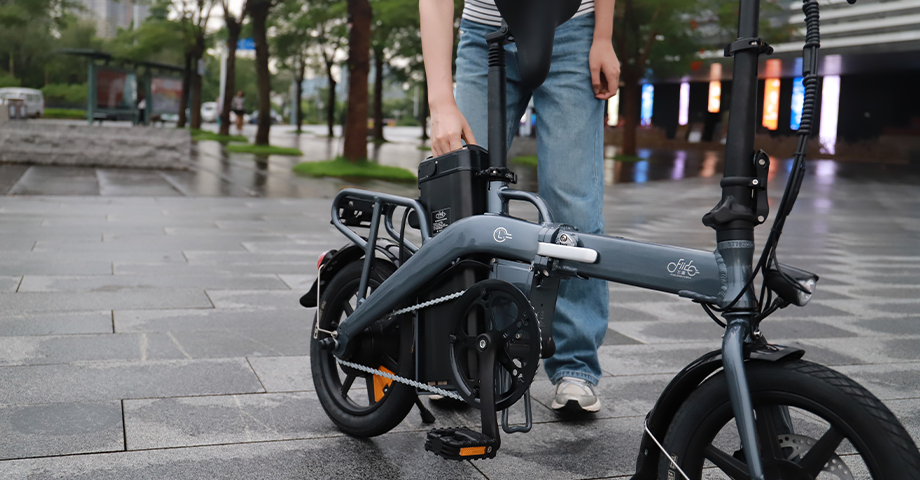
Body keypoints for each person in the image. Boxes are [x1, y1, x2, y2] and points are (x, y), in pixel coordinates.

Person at [420, 0, 620, 412]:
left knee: (574, 203)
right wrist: (440, 101)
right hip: (483, 34)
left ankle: (575, 365)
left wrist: (603, 36)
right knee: (465, 202)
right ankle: (464, 354)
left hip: (572, 29)